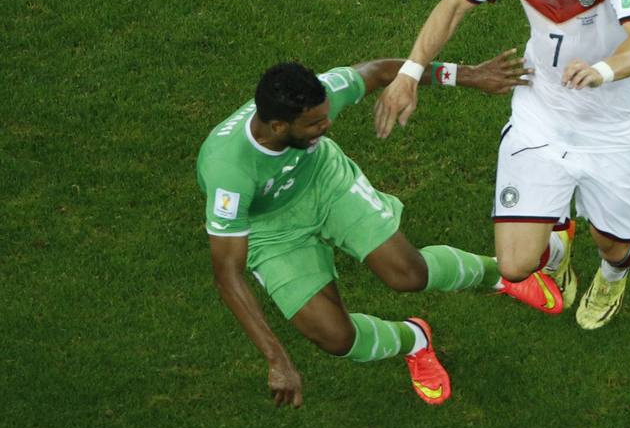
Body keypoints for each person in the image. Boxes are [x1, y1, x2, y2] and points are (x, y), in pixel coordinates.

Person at [374, 0, 630, 330]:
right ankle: (557, 240)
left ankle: (611, 277)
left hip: (613, 129)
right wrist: (410, 73)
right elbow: (453, 6)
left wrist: (602, 70)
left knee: (614, 243)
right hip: (541, 117)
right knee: (514, 266)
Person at [196, 53, 563, 409]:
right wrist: (277, 360)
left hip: (326, 184)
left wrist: (470, 75)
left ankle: (500, 275)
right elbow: (227, 275)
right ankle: (414, 340)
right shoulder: (229, 171)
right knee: (336, 338)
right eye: (313, 125)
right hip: (270, 230)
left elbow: (385, 70)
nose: (326, 126)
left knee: (408, 274)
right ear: (278, 127)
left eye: (324, 116)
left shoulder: (318, 96)